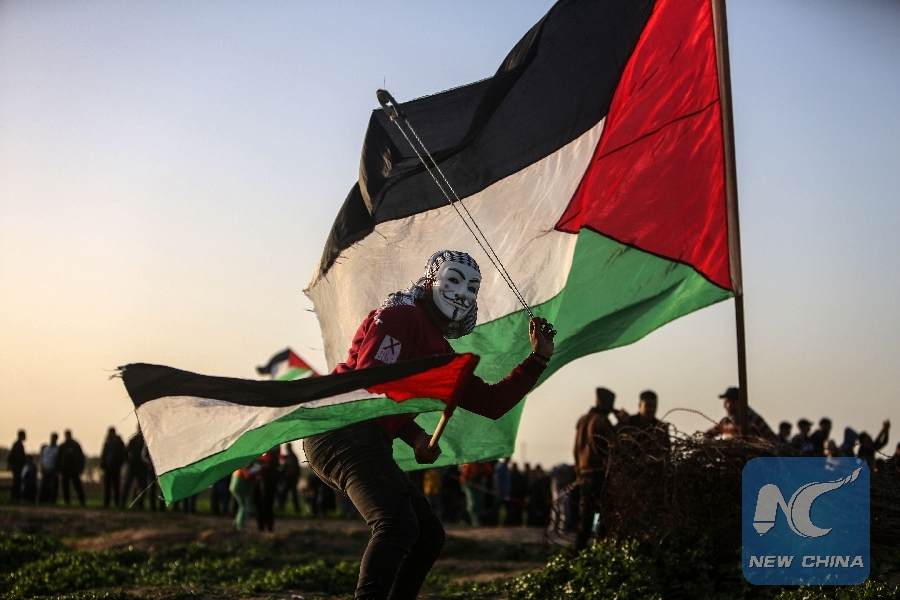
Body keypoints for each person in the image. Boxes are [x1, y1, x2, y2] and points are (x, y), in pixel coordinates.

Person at [302, 249, 555, 600]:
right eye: (454, 280)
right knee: (397, 524)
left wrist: (539, 357)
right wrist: (415, 432)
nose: (462, 293)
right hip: (339, 431)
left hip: (366, 437)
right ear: (431, 280)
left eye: (472, 288)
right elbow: (373, 385)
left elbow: (492, 403)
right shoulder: (401, 316)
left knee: (427, 535)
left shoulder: (440, 350)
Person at [573, 387, 618, 550]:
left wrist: (578, 470)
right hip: (599, 474)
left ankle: (576, 554)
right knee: (606, 517)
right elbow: (613, 448)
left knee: (586, 521)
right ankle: (599, 551)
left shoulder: (583, 420)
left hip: (583, 474)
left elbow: (576, 449)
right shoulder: (602, 421)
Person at [705, 387, 776, 441]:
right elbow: (707, 435)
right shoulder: (725, 422)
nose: (724, 406)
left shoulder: (755, 420)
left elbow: (772, 440)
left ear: (736, 402)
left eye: (727, 402)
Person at [56, 429, 86, 506]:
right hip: (64, 469)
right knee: (65, 487)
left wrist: (81, 468)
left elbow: (81, 457)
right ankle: (67, 502)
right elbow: (58, 458)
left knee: (77, 486)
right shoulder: (62, 446)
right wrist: (57, 469)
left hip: (74, 469)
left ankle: (82, 501)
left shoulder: (76, 445)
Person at [121, 427, 148, 508]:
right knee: (128, 485)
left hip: (142, 467)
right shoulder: (134, 440)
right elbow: (126, 452)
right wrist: (129, 461)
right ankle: (123, 502)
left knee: (142, 486)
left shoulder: (147, 440)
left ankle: (139, 503)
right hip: (133, 466)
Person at [100, 427, 126, 508]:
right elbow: (104, 454)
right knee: (107, 486)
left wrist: (119, 464)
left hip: (115, 467)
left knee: (115, 486)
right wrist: (103, 464)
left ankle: (116, 502)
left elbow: (123, 454)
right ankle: (107, 502)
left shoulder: (119, 443)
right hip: (108, 467)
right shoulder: (107, 442)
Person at [278, 442, 301, 514]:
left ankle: (282, 508)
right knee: (292, 495)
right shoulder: (292, 456)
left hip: (290, 479)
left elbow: (292, 469)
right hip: (291, 479)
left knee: (286, 494)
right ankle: (296, 510)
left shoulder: (291, 457)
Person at [39, 433, 59, 503]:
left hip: (53, 470)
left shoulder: (57, 449)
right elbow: (42, 458)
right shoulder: (46, 448)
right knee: (44, 485)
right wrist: (42, 466)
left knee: (53, 486)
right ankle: (42, 500)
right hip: (46, 469)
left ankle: (52, 500)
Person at [7, 430, 26, 503]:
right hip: (17, 467)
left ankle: (15, 497)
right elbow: (12, 456)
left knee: (17, 482)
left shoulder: (18, 444)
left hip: (18, 467)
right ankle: (15, 496)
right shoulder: (18, 445)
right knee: (17, 482)